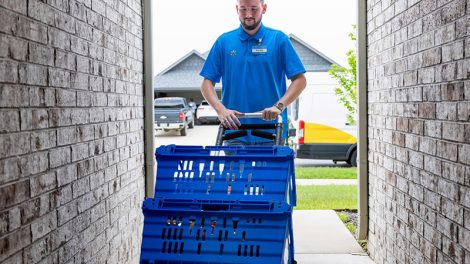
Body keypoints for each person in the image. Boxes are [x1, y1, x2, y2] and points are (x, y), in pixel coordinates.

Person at [200, 0, 307, 145]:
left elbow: (300, 80)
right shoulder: (224, 42)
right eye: (243, 9)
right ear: (237, 9)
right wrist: (221, 110)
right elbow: (206, 83)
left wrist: (279, 106)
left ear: (264, 8)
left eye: (254, 9)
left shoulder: (278, 39)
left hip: (272, 133)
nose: (248, 14)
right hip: (234, 133)